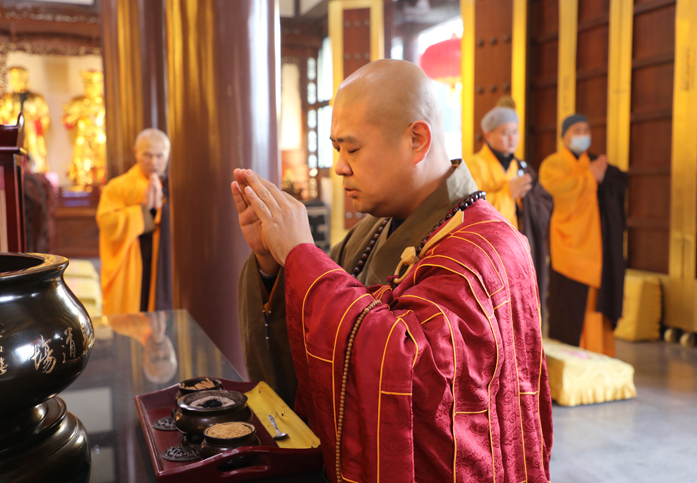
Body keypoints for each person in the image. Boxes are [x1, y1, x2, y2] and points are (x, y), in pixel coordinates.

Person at [233, 60, 552, 483]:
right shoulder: (373, 229)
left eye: (353, 149)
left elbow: (413, 382)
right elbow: (320, 335)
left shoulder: (484, 251)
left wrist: (302, 257)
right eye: (336, 149)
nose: (340, 167)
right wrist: (274, 266)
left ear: (417, 140)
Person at [539, 114, 627, 356]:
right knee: (570, 305)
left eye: (586, 129)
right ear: (564, 136)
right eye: (576, 130)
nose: (582, 134)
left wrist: (598, 176)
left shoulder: (597, 162)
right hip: (568, 248)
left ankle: (601, 359)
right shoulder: (553, 164)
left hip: (597, 248)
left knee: (597, 306)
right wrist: (590, 177)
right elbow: (555, 194)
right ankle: (572, 366)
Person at [466, 106, 553, 316]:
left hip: (517, 251)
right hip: (487, 254)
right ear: (488, 134)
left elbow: (543, 205)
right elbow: (467, 210)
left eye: (515, 132)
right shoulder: (473, 165)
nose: (512, 138)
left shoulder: (522, 168)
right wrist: (506, 194)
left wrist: (525, 201)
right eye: (505, 133)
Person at [97, 128, 172, 315]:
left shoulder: (175, 187)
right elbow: (107, 222)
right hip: (131, 268)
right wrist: (142, 210)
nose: (153, 162)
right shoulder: (117, 187)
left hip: (163, 263)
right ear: (135, 152)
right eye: (147, 155)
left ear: (168, 155)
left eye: (159, 156)